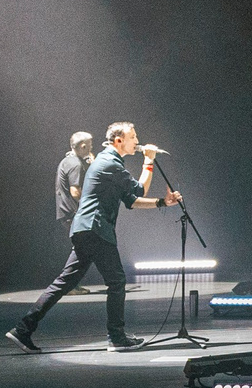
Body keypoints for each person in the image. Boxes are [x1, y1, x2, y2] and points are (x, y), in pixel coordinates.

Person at [9, 122, 177, 351]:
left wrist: (161, 202)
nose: (137, 142)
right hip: (96, 229)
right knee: (116, 281)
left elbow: (130, 201)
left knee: (64, 282)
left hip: (86, 229)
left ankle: (22, 329)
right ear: (119, 140)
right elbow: (139, 189)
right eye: (133, 137)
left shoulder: (111, 163)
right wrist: (148, 161)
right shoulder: (109, 163)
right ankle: (116, 338)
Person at [54, 130, 93, 225]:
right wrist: (87, 208)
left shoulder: (68, 161)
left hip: (67, 215)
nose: (91, 148)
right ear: (83, 146)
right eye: (90, 145)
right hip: (73, 215)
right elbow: (75, 191)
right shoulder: (75, 164)